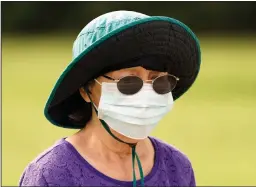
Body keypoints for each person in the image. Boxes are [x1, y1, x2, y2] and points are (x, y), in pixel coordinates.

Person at [19, 10, 201, 187]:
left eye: (159, 81)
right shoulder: (50, 176)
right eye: (128, 82)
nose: (146, 95)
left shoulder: (177, 167)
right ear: (86, 89)